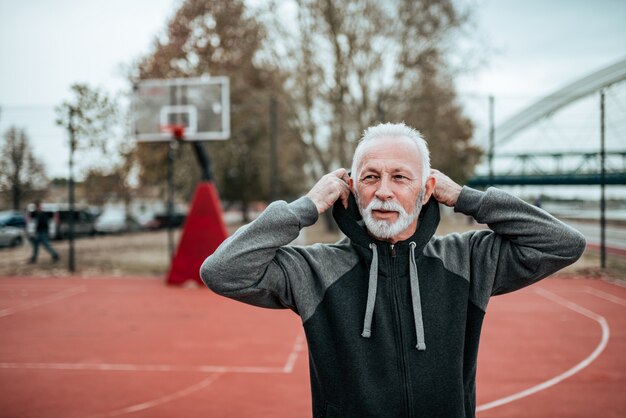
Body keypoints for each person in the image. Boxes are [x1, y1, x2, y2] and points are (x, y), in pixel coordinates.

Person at [200, 122, 586, 417]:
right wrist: (306, 206)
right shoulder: (316, 269)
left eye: (400, 177)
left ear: (427, 188)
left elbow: (564, 243)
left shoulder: (467, 259)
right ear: (351, 188)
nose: (384, 190)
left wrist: (465, 197)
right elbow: (222, 270)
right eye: (371, 176)